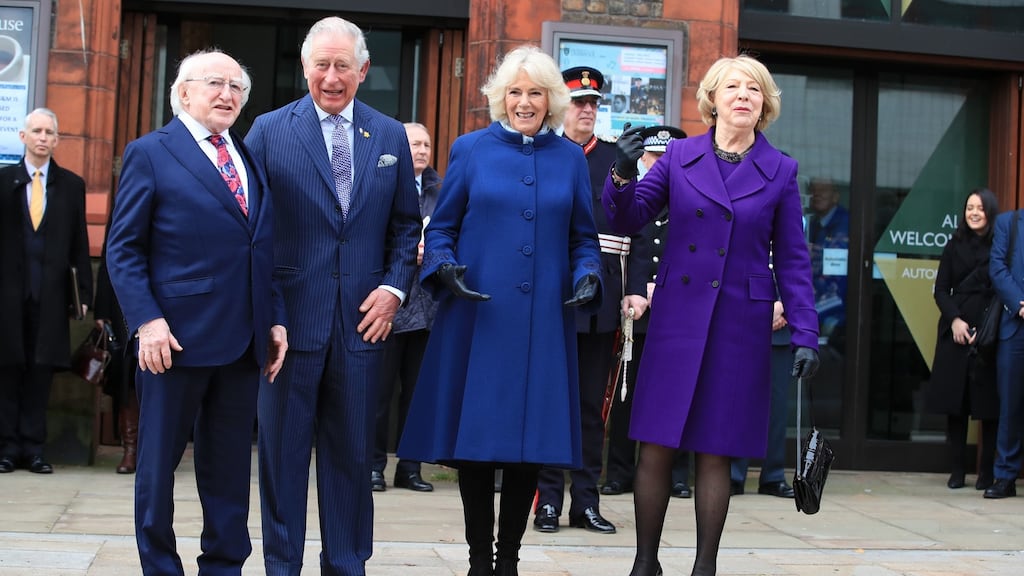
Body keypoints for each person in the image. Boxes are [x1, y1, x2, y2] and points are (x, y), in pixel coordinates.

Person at [604, 54, 820, 576]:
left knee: (715, 450)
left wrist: (805, 330)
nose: (744, 95)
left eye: (754, 89)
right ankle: (644, 563)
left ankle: (705, 567)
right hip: (678, 317)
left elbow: (792, 258)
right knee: (655, 444)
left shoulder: (782, 170)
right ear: (714, 99)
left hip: (738, 325)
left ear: (764, 105)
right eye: (734, 87)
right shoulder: (679, 156)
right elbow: (630, 216)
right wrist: (620, 171)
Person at [398, 45, 602, 576]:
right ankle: (479, 563)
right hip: (478, 316)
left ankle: (507, 561)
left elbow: (584, 238)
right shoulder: (470, 150)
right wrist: (443, 265)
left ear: (551, 100)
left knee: (527, 446)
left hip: (543, 322)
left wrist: (588, 274)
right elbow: (441, 228)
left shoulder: (569, 160)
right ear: (500, 98)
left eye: (536, 92)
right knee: (478, 444)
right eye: (515, 92)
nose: (525, 102)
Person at [244, 16, 421, 575]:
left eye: (343, 65)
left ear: (363, 70)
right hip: (289, 329)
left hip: (363, 327)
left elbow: (404, 227)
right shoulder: (269, 131)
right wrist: (268, 313)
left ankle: (347, 566)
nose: (331, 76)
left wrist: (394, 290)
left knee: (351, 463)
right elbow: (251, 233)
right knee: (282, 462)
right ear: (304, 67)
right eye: (321, 64)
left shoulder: (389, 135)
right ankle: (282, 567)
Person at [105, 49, 288, 575]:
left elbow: (262, 249)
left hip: (243, 342)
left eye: (236, 87)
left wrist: (273, 319)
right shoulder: (151, 152)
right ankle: (161, 567)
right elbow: (123, 248)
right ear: (183, 92)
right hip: (173, 342)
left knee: (229, 470)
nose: (227, 95)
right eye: (215, 83)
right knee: (158, 469)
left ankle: (224, 566)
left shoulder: (247, 156)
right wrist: (147, 320)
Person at [534, 65, 647, 536]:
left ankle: (585, 501)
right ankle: (546, 503)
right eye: (579, 102)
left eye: (593, 104)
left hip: (602, 297)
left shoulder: (614, 163)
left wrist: (636, 289)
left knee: (589, 407)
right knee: (548, 403)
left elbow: (638, 229)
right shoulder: (545, 154)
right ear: (562, 106)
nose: (586, 110)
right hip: (552, 297)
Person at [602, 125, 693, 500]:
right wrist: (637, 291)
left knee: (679, 395)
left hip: (682, 314)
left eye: (664, 159)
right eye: (653, 158)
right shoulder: (637, 200)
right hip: (638, 314)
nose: (658, 165)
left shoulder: (693, 203)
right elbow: (631, 250)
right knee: (628, 395)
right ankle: (620, 472)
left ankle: (676, 474)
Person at [0, 107, 92, 475]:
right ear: (23, 137)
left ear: (56, 140)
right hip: (7, 297)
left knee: (41, 373)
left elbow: (80, 244)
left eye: (49, 132)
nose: (42, 137)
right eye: (36, 131)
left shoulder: (71, 186)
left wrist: (83, 292)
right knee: (7, 370)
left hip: (51, 295)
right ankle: (7, 448)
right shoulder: (4, 181)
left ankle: (35, 448)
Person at [371, 122, 442, 493]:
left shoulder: (439, 190)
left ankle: (410, 468)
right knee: (379, 391)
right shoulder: (381, 181)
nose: (421, 150)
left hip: (427, 308)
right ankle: (373, 465)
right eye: (414, 143)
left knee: (416, 394)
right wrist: (400, 252)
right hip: (387, 304)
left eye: (426, 144)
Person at [927, 188, 1000, 491]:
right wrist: (955, 320)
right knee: (955, 404)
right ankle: (957, 471)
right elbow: (941, 289)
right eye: (969, 207)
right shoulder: (953, 244)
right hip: (955, 330)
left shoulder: (1000, 246)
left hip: (989, 332)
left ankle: (986, 473)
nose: (973, 213)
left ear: (990, 213)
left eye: (980, 208)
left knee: (988, 407)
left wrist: (984, 329)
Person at [730, 298, 796, 499]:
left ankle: (773, 477)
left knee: (777, 408)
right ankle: (734, 475)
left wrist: (784, 308)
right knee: (740, 405)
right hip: (741, 324)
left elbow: (801, 281)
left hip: (780, 328)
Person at [985, 197, 1024, 499]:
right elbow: (997, 266)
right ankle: (1005, 476)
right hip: (1015, 326)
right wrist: (1019, 304)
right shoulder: (1008, 223)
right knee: (1010, 404)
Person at [94, 239, 138, 474]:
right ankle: (130, 449)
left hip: (169, 289)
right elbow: (110, 253)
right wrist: (101, 309)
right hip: (125, 295)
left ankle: (154, 450)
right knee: (128, 372)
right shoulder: (125, 200)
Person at [807, 177, 850, 347]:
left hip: (837, 302)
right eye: (814, 190)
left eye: (823, 190)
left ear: (836, 196)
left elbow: (836, 266)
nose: (817, 194)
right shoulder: (813, 222)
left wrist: (816, 253)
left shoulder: (844, 223)